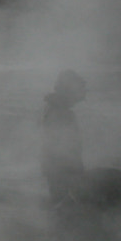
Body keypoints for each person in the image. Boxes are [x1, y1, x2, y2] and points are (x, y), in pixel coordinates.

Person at [41, 70, 88, 207]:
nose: (80, 97)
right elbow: (62, 145)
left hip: (55, 167)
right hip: (61, 169)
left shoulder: (53, 108)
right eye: (78, 92)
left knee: (60, 202)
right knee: (63, 204)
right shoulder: (61, 112)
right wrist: (75, 169)